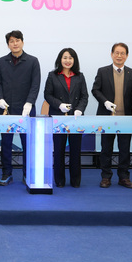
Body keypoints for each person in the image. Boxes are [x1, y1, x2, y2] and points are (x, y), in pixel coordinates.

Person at [91, 42, 132, 189]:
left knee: (124, 149)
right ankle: (106, 177)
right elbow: (95, 90)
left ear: (127, 56)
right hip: (107, 117)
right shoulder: (103, 71)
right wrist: (105, 102)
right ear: (112, 54)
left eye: (122, 53)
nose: (119, 56)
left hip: (126, 118)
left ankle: (124, 177)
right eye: (117, 53)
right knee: (106, 149)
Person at [0, 30, 40, 185]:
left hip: (26, 108)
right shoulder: (2, 62)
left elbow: (35, 85)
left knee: (27, 143)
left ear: (22, 42)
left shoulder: (33, 61)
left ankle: (28, 173)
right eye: (11, 41)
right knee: (6, 142)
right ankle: (6, 173)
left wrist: (30, 102)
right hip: (6, 109)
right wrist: (0, 99)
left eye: (17, 40)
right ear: (8, 44)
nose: (15, 44)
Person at [43, 48, 89, 188]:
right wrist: (59, 105)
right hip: (58, 118)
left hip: (75, 119)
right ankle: (59, 180)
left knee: (75, 150)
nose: (67, 60)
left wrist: (79, 109)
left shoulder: (80, 76)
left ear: (74, 60)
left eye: (70, 58)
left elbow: (84, 96)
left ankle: (75, 180)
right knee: (58, 150)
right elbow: (47, 95)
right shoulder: (52, 75)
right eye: (65, 57)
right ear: (60, 59)